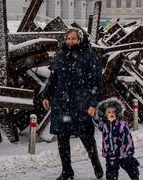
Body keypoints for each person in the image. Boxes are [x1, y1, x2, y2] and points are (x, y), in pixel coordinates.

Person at [40, 28, 104, 180]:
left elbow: (97, 82)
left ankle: (96, 164)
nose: (70, 41)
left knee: (87, 138)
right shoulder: (61, 56)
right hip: (62, 104)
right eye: (68, 38)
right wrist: (46, 95)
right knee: (62, 140)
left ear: (79, 40)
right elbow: (53, 78)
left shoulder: (89, 57)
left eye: (73, 39)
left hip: (81, 104)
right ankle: (67, 171)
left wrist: (93, 104)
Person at [91, 98, 140, 180]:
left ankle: (135, 177)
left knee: (130, 167)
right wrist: (93, 115)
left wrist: (129, 151)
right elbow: (97, 123)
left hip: (123, 153)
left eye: (113, 112)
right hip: (110, 155)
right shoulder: (104, 126)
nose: (111, 113)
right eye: (109, 112)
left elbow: (128, 138)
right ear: (105, 114)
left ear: (117, 113)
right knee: (111, 172)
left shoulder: (122, 125)